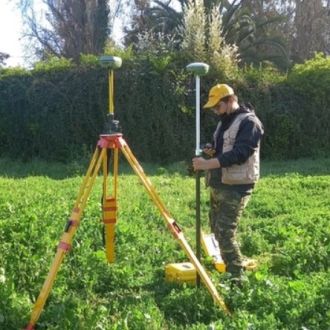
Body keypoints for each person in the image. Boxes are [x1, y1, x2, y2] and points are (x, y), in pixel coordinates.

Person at [192, 83, 264, 283]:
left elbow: (241, 153)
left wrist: (207, 164)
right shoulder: (224, 121)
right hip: (220, 183)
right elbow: (222, 150)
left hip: (237, 186)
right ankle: (231, 266)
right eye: (213, 107)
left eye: (218, 106)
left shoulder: (250, 123)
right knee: (216, 228)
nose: (215, 110)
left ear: (230, 100)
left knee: (224, 232)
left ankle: (237, 277)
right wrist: (211, 150)